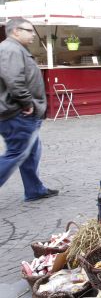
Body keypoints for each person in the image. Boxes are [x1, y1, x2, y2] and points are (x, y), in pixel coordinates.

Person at [0, 17, 59, 202]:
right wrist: (27, 103)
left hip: (19, 112)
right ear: (16, 31)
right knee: (17, 152)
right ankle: (34, 190)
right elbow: (14, 81)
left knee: (31, 151)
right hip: (17, 113)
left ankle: (34, 190)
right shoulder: (10, 49)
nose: (33, 34)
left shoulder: (15, 48)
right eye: (29, 30)